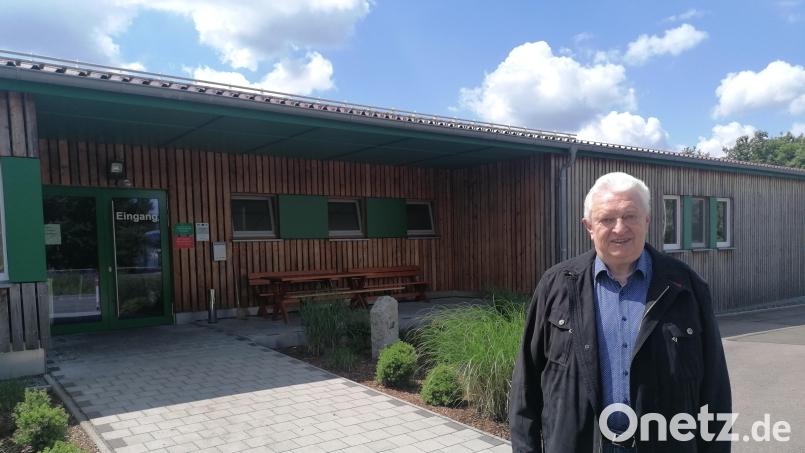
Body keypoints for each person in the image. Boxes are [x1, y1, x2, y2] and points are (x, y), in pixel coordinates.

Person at [509, 172, 731, 453]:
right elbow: (526, 385)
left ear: (648, 221)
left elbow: (715, 389)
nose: (619, 228)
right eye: (606, 219)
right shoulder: (556, 285)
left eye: (630, 216)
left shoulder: (686, 287)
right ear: (588, 226)